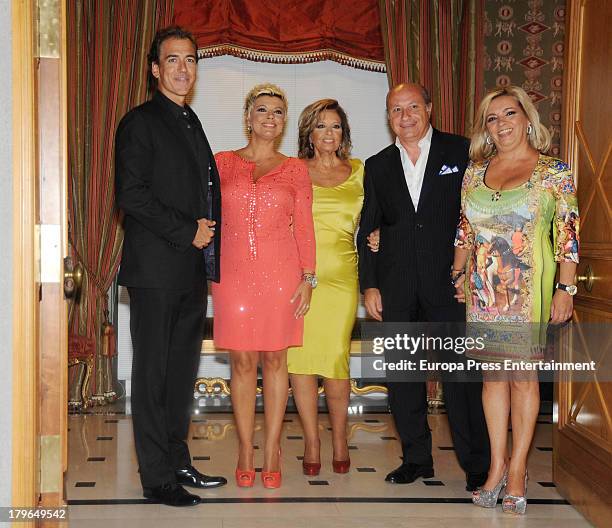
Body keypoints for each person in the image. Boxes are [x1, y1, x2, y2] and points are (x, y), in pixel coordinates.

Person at [453, 85, 579, 514]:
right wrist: (458, 273)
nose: (502, 124)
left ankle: (520, 470)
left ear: (527, 118)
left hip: (529, 288)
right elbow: (464, 233)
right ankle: (496, 466)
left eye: (509, 114)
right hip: (484, 289)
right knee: (492, 380)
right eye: (492, 118)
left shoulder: (554, 172)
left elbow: (568, 236)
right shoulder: (474, 173)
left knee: (523, 378)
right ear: (485, 129)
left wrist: (566, 288)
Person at [357, 83, 490, 489]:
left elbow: (481, 215)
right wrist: (370, 285)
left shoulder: (462, 152)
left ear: (429, 108)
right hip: (397, 286)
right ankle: (416, 459)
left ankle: (477, 465)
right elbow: (369, 229)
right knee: (403, 379)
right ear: (388, 117)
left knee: (461, 380)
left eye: (413, 106)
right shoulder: (377, 164)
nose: (406, 116)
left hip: (451, 285)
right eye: (396, 109)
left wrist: (475, 273)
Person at [115, 26, 227, 507]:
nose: (184, 69)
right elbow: (131, 195)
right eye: (173, 60)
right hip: (156, 271)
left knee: (181, 375)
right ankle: (157, 478)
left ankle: (178, 460)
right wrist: (187, 231)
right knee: (153, 376)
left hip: (189, 273)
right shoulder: (139, 123)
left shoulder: (190, 121)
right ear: (156, 69)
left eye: (191, 60)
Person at [212, 84, 316, 489]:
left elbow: (304, 228)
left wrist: (308, 277)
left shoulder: (295, 169)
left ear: (284, 121)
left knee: (276, 361)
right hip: (233, 275)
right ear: (247, 118)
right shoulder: (221, 163)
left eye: (277, 112)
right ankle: (244, 448)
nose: (269, 117)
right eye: (262, 110)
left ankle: (272, 449)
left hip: (281, 275)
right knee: (241, 362)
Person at [287, 99, 364, 475]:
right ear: (309, 133)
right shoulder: (292, 170)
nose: (328, 134)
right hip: (299, 278)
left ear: (343, 132)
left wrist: (378, 235)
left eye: (335, 126)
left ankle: (339, 437)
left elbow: (384, 214)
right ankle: (312, 440)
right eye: (321, 126)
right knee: (299, 360)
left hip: (343, 280)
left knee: (336, 360)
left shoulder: (362, 170)